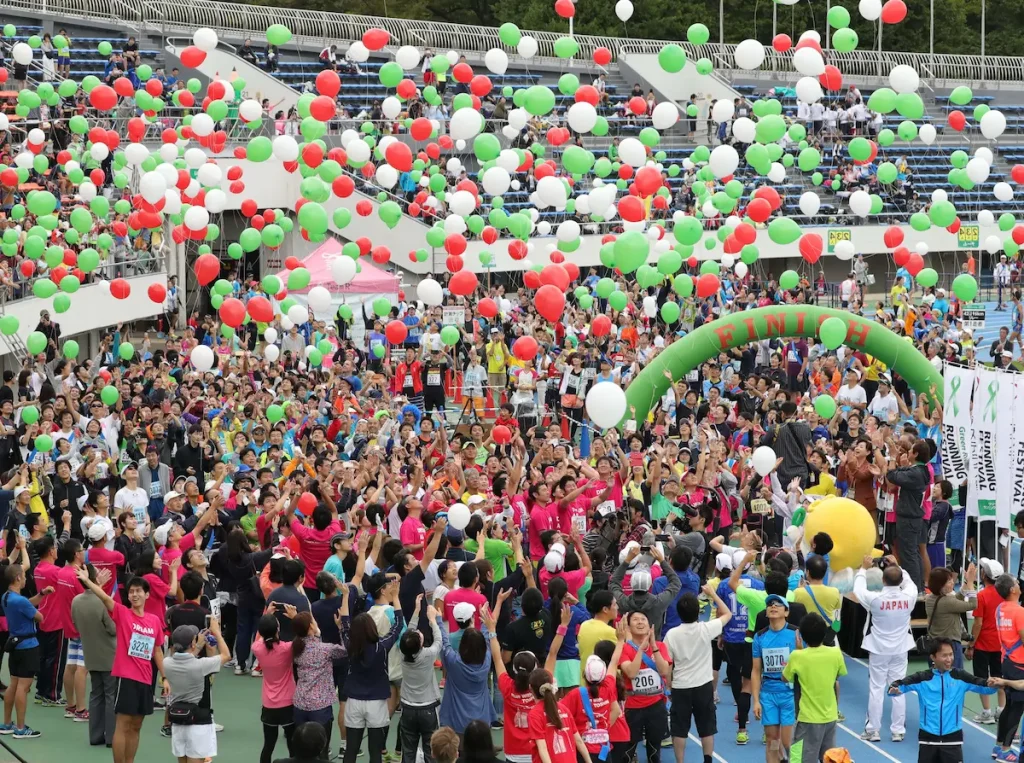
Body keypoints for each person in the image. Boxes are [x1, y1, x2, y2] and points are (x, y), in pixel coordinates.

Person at [74, 568, 167, 763]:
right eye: (131, 591)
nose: (134, 595)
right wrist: (89, 582)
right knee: (122, 725)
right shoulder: (122, 613)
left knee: (136, 725)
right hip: (126, 678)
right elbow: (105, 599)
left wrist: (165, 677)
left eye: (138, 591)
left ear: (147, 594)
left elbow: (157, 651)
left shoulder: (154, 621)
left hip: (146, 680)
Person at [889, 637, 998, 763]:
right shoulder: (922, 678)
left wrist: (993, 684)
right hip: (928, 740)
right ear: (933, 657)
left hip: (953, 740)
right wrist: (894, 689)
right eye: (944, 655)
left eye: (951, 655)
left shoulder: (960, 676)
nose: (949, 659)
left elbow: (983, 685)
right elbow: (898, 685)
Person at [853, 554, 916, 743]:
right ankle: (898, 730)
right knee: (898, 688)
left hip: (879, 649)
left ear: (882, 580)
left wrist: (863, 569)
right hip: (900, 649)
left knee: (876, 689)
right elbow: (909, 582)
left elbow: (858, 589)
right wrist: (898, 565)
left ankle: (873, 730)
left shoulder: (875, 600)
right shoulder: (909, 596)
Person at [664, 585, 731, 763]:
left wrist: (668, 684)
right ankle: (707, 759)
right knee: (707, 726)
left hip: (680, 686)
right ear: (698, 611)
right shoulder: (705, 629)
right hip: (703, 686)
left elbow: (668, 664)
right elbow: (727, 614)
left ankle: (680, 761)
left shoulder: (671, 634)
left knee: (679, 728)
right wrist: (713, 595)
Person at [163, 619, 231, 763]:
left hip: (178, 719)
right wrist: (217, 633)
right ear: (192, 644)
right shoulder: (201, 665)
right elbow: (226, 655)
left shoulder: (166, 663)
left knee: (182, 759)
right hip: (198, 719)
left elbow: (186, 658)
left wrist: (198, 644)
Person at [782, 614, 847, 763]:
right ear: (824, 633)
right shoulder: (835, 653)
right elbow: (839, 674)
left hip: (807, 718)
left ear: (802, 637)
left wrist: (798, 651)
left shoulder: (797, 656)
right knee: (829, 759)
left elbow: (785, 677)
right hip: (830, 717)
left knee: (797, 759)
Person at [1, 563, 53, 738]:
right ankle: (21, 728)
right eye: (23, 575)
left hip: (14, 646)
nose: (25, 578)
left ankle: (7, 723)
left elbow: (26, 605)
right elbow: (39, 617)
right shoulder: (20, 601)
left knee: (13, 685)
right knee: (23, 688)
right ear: (17, 578)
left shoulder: (7, 597)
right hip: (28, 648)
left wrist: (41, 595)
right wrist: (42, 609)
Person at [71, 563, 118, 747]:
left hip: (90, 653)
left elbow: (76, 625)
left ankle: (96, 735)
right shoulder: (101, 602)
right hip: (109, 654)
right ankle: (111, 737)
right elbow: (113, 629)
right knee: (111, 696)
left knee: (96, 694)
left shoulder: (76, 601)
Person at [752, 595, 800, 763]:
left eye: (779, 604)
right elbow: (756, 670)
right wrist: (756, 700)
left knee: (789, 742)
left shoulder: (796, 634)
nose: (773, 606)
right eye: (770, 604)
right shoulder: (760, 637)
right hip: (769, 694)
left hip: (790, 694)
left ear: (786, 612)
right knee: (772, 740)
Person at [619, 610, 672, 763]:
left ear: (650, 626)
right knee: (628, 749)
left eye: (643, 619)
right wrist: (640, 649)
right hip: (632, 706)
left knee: (654, 751)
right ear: (629, 627)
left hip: (655, 705)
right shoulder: (625, 648)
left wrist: (653, 646)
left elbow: (664, 671)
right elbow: (631, 673)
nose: (640, 622)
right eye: (635, 620)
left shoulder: (660, 646)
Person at [886, 440, 933, 589]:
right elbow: (900, 472)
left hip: (909, 519)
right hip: (912, 518)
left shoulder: (916, 473)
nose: (908, 452)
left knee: (908, 556)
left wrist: (893, 458)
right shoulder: (919, 470)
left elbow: (892, 475)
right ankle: (917, 587)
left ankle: (913, 588)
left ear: (916, 454)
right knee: (913, 554)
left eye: (911, 450)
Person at [253, 613, 296, 763]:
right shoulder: (287, 648)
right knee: (292, 745)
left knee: (268, 745)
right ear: (278, 628)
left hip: (269, 704)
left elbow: (259, 638)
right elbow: (302, 637)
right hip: (287, 703)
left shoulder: (257, 648)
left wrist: (266, 614)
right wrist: (295, 618)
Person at [968, 558, 1006, 723]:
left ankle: (986, 712)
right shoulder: (1006, 594)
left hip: (983, 644)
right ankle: (1001, 710)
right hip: (1002, 644)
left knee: (982, 678)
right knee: (1000, 677)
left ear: (984, 574)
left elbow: (978, 623)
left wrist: (971, 644)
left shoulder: (981, 596)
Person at [924, 564, 977, 670]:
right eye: (949, 581)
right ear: (941, 585)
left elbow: (955, 599)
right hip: (950, 645)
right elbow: (973, 605)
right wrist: (971, 584)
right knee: (955, 677)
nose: (953, 582)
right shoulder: (947, 602)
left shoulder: (930, 598)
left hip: (935, 643)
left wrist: (966, 583)